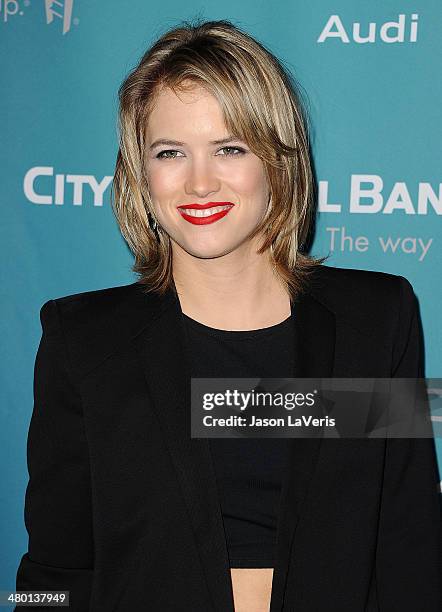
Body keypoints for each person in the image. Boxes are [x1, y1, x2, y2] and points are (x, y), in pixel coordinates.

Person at [15, 18, 441, 612]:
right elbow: (52, 571)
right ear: (141, 172)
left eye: (230, 148)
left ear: (277, 159)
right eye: (170, 152)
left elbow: (408, 545)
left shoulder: (373, 322)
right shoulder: (84, 343)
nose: (199, 182)